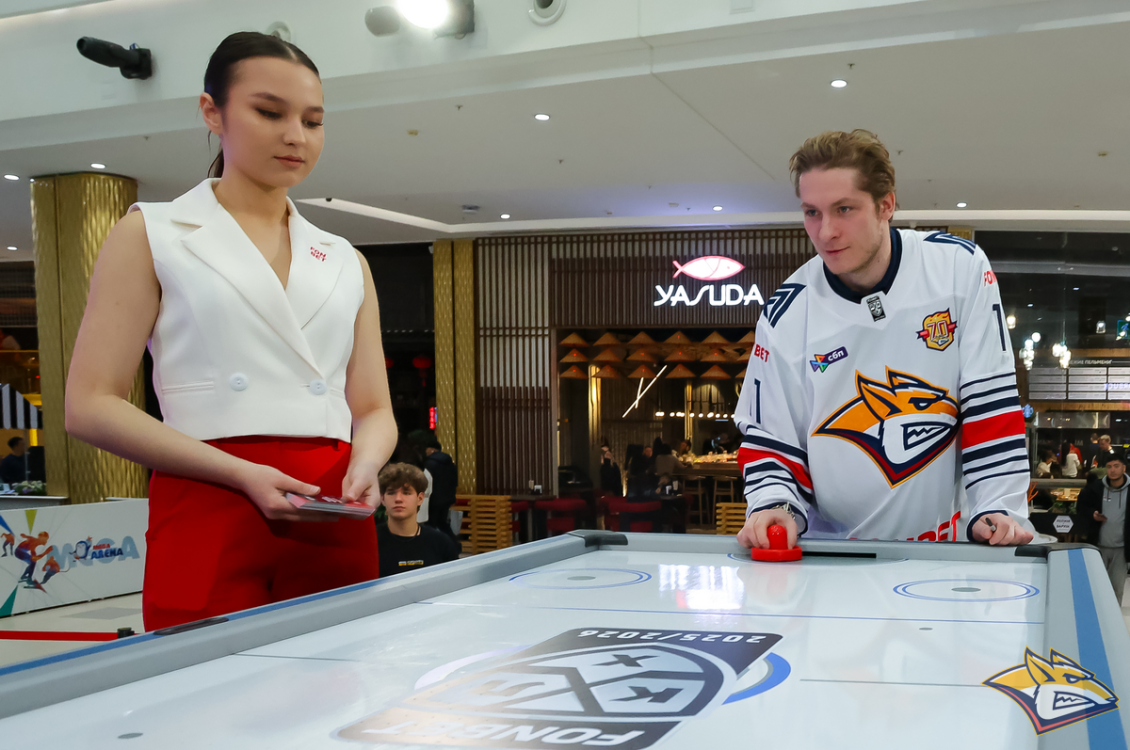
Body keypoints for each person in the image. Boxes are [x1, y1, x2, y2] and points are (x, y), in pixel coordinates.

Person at [63, 32, 396, 630]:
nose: (296, 136)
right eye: (269, 112)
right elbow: (89, 405)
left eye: (313, 121)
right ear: (212, 112)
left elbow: (373, 409)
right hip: (208, 499)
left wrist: (367, 464)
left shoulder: (345, 258)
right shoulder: (153, 233)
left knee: (340, 677)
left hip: (331, 509)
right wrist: (240, 472)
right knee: (203, 683)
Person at [735, 129, 1033, 549]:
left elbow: (990, 407)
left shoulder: (958, 268)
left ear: (886, 205)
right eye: (812, 212)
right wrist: (774, 503)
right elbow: (771, 440)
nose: (825, 232)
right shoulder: (787, 313)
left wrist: (997, 508)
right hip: (832, 556)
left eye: (844, 209)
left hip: (943, 553)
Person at [376, 463, 459, 577]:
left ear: (420, 498)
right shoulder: (371, 542)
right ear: (382, 499)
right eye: (391, 493)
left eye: (406, 493)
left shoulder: (440, 543)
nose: (398, 499)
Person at [1078, 451, 1130, 604]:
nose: (1112, 470)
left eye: (1116, 466)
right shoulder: (1096, 488)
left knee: (1116, 589)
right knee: (1095, 586)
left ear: (1124, 468)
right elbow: (1081, 506)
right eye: (1109, 466)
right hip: (1098, 546)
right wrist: (1092, 514)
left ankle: (1113, 618)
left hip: (1121, 549)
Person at [410, 431, 458, 541]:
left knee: (430, 524)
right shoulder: (450, 464)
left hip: (433, 500)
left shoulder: (429, 464)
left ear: (432, 450)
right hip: (447, 498)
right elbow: (455, 482)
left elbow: (426, 482)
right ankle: (453, 543)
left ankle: (433, 543)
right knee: (442, 523)